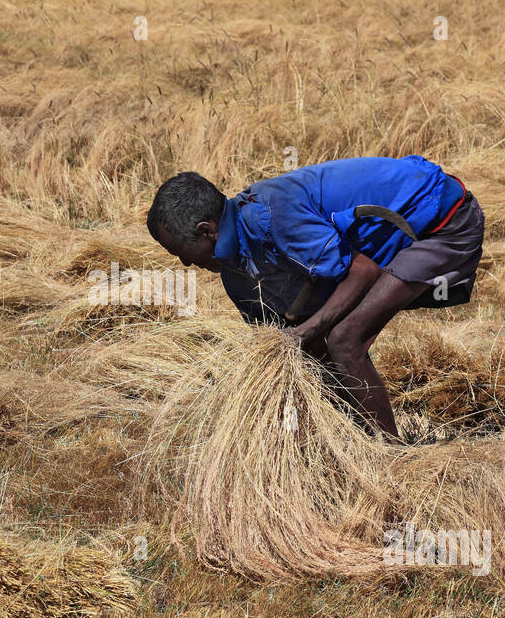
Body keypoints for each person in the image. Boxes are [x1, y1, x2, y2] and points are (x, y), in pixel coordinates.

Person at [146, 155, 485, 441]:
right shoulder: (236, 270)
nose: (186, 263)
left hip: (442, 221)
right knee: (313, 351)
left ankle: (389, 456)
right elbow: (276, 337)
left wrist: (307, 330)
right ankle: (350, 439)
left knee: (344, 338)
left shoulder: (273, 215)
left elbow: (362, 271)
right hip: (392, 242)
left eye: (181, 252)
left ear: (207, 231)